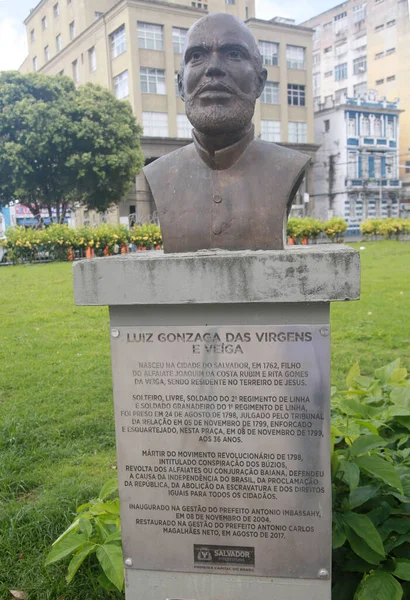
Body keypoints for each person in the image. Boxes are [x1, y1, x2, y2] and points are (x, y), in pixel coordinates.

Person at [143, 13, 310, 253]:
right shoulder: (159, 174)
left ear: (259, 83)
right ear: (180, 85)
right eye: (197, 56)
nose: (213, 68)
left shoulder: (288, 166)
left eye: (233, 54)